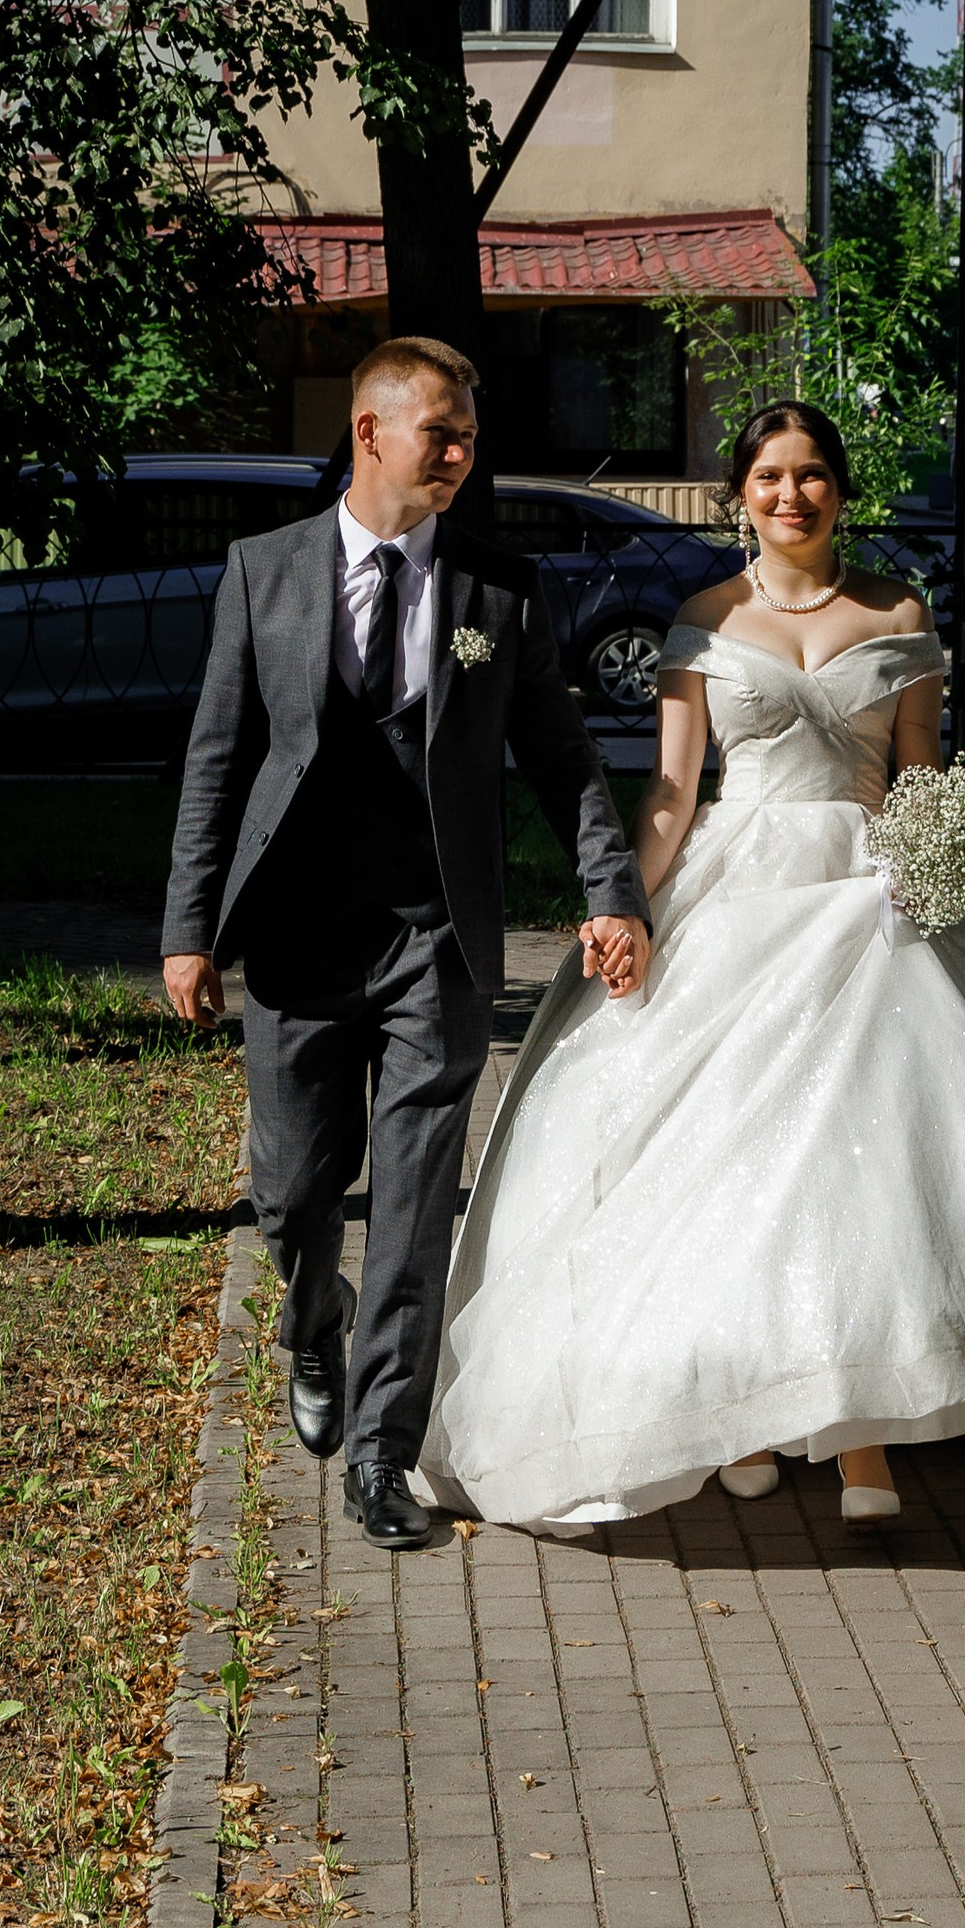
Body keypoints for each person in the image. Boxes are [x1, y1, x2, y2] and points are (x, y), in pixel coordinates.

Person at [418, 397, 965, 1534]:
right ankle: (753, 1419)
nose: (790, 495)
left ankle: (863, 1433)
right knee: (737, 1155)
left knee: (868, 1156)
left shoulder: (899, 609)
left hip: (872, 895)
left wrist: (939, 869)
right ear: (740, 495)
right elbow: (674, 797)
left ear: (840, 488)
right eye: (769, 475)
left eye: (811, 473)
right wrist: (620, 902)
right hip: (741, 900)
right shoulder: (703, 621)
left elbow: (920, 769)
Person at [161, 335, 649, 1549]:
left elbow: (561, 756)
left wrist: (613, 890)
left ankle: (382, 1454)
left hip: (437, 941)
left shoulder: (499, 587)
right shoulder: (262, 570)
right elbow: (217, 760)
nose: (461, 450)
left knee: (417, 1205)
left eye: (470, 433)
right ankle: (309, 1315)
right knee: (289, 1192)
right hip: (295, 940)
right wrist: (187, 927)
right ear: (371, 431)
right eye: (442, 430)